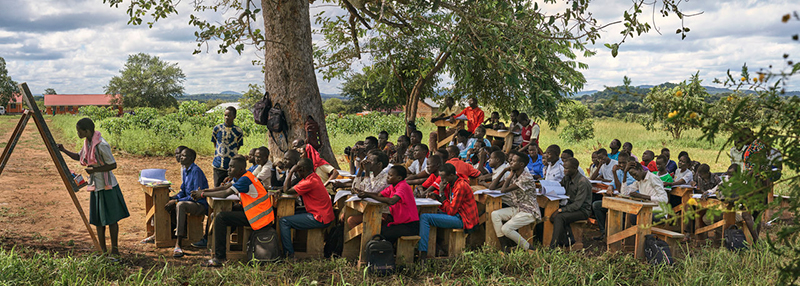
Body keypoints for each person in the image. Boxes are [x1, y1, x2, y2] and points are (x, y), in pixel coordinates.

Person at [57, 118, 130, 259]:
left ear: (87, 131)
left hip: (107, 186)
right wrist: (63, 150)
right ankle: (102, 251)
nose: (78, 133)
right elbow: (79, 156)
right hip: (96, 186)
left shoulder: (101, 145)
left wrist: (95, 170)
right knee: (98, 220)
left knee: (112, 219)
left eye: (79, 131)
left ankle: (115, 251)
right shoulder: (88, 143)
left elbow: (113, 165)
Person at [190, 155, 274, 267]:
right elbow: (224, 188)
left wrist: (202, 194)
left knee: (221, 218)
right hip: (254, 214)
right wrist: (205, 191)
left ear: (241, 169)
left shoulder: (245, 180)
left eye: (232, 167)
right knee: (222, 213)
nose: (228, 169)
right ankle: (218, 246)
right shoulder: (243, 176)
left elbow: (225, 193)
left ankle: (219, 258)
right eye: (229, 166)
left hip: (259, 218)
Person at [418, 163, 479, 260]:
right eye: (440, 177)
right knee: (428, 213)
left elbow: (451, 211)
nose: (441, 180)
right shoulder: (450, 183)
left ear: (451, 175)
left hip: (464, 219)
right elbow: (448, 203)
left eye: (443, 177)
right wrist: (437, 196)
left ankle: (423, 254)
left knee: (425, 217)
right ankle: (437, 247)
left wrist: (441, 193)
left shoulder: (461, 186)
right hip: (457, 214)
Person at [280, 158, 335, 259]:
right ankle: (295, 245)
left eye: (298, 170)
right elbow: (291, 187)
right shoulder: (313, 176)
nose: (297, 173)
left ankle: (289, 254)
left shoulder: (309, 182)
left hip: (320, 218)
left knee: (284, 221)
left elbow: (286, 190)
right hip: (323, 213)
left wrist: (291, 172)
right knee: (292, 213)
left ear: (303, 170)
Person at [489, 151, 541, 251]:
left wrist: (509, 176)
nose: (510, 163)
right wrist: (504, 171)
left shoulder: (526, 177)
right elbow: (492, 187)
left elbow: (503, 190)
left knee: (506, 229)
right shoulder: (515, 174)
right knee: (495, 214)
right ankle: (504, 246)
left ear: (521, 164)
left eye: (513, 161)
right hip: (518, 208)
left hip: (529, 211)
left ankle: (529, 248)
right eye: (511, 161)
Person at [355, 165, 420, 245]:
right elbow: (379, 195)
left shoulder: (403, 186)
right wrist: (364, 193)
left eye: (390, 175)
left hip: (409, 225)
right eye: (388, 174)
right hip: (399, 222)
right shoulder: (392, 186)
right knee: (380, 230)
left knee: (381, 233)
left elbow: (392, 201)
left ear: (399, 178)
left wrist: (368, 195)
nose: (387, 177)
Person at [166, 148, 209, 257]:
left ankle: (178, 243)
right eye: (181, 155)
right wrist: (173, 198)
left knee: (180, 205)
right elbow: (183, 191)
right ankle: (167, 233)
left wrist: (177, 201)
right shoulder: (185, 170)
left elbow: (195, 196)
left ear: (191, 158)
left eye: (184, 156)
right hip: (190, 202)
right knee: (167, 201)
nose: (181, 157)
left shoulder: (196, 171)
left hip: (199, 204)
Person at [551, 158, 592, 248]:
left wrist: (561, 210)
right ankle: (567, 240)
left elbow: (577, 205)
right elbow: (559, 188)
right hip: (571, 206)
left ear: (575, 168)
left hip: (582, 210)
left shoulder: (582, 182)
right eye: (564, 168)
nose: (564, 171)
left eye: (567, 168)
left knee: (559, 217)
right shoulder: (567, 178)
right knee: (550, 214)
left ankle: (553, 246)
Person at [211, 106, 245, 187]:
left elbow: (238, 147)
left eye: (229, 116)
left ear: (234, 117)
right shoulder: (217, 129)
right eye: (225, 115)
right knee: (217, 187)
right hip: (218, 165)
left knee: (231, 188)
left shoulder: (238, 131)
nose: (226, 117)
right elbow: (215, 143)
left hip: (232, 167)